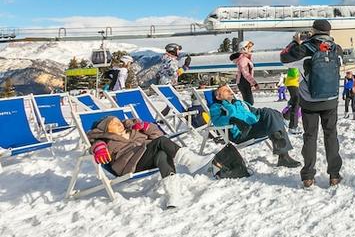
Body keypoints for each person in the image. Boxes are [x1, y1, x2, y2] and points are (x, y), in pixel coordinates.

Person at [87, 114, 217, 208]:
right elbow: (93, 143)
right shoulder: (105, 141)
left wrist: (145, 127)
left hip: (146, 157)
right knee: (160, 143)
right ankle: (191, 161)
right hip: (130, 165)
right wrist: (98, 147)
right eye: (114, 123)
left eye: (118, 121)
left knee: (161, 153)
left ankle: (173, 195)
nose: (119, 123)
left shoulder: (133, 129)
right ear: (106, 129)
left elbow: (158, 135)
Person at [281, 19, 343, 188]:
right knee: (331, 135)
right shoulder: (337, 48)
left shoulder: (305, 47)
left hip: (309, 101)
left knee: (310, 137)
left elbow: (284, 57)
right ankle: (334, 175)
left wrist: (295, 41)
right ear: (329, 32)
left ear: (313, 30)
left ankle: (308, 176)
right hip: (330, 99)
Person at [208, 84, 300, 168]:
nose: (230, 91)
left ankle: (277, 138)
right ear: (218, 97)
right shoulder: (217, 107)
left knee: (269, 112)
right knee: (273, 120)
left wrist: (273, 114)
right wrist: (232, 120)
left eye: (230, 90)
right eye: (226, 91)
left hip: (253, 126)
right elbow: (217, 121)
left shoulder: (239, 103)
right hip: (241, 132)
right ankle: (282, 152)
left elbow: (255, 112)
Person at [234, 40, 258, 105]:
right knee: (249, 102)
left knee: (249, 102)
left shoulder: (245, 59)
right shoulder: (243, 60)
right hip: (243, 81)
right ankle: (248, 114)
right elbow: (245, 73)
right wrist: (254, 83)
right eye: (249, 47)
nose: (251, 49)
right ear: (244, 49)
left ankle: (248, 113)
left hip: (245, 82)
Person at [284, 67, 301, 131]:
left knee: (295, 102)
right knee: (297, 103)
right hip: (293, 83)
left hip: (293, 83)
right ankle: (293, 126)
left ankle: (286, 116)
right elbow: (294, 72)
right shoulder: (295, 62)